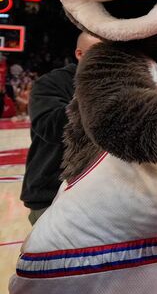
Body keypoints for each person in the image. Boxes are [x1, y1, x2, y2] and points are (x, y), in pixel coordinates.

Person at [20, 32, 100, 224]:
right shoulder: (51, 83)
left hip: (100, 195)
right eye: (99, 51)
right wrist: (100, 97)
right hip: (52, 193)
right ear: (79, 54)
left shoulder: (122, 83)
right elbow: (50, 127)